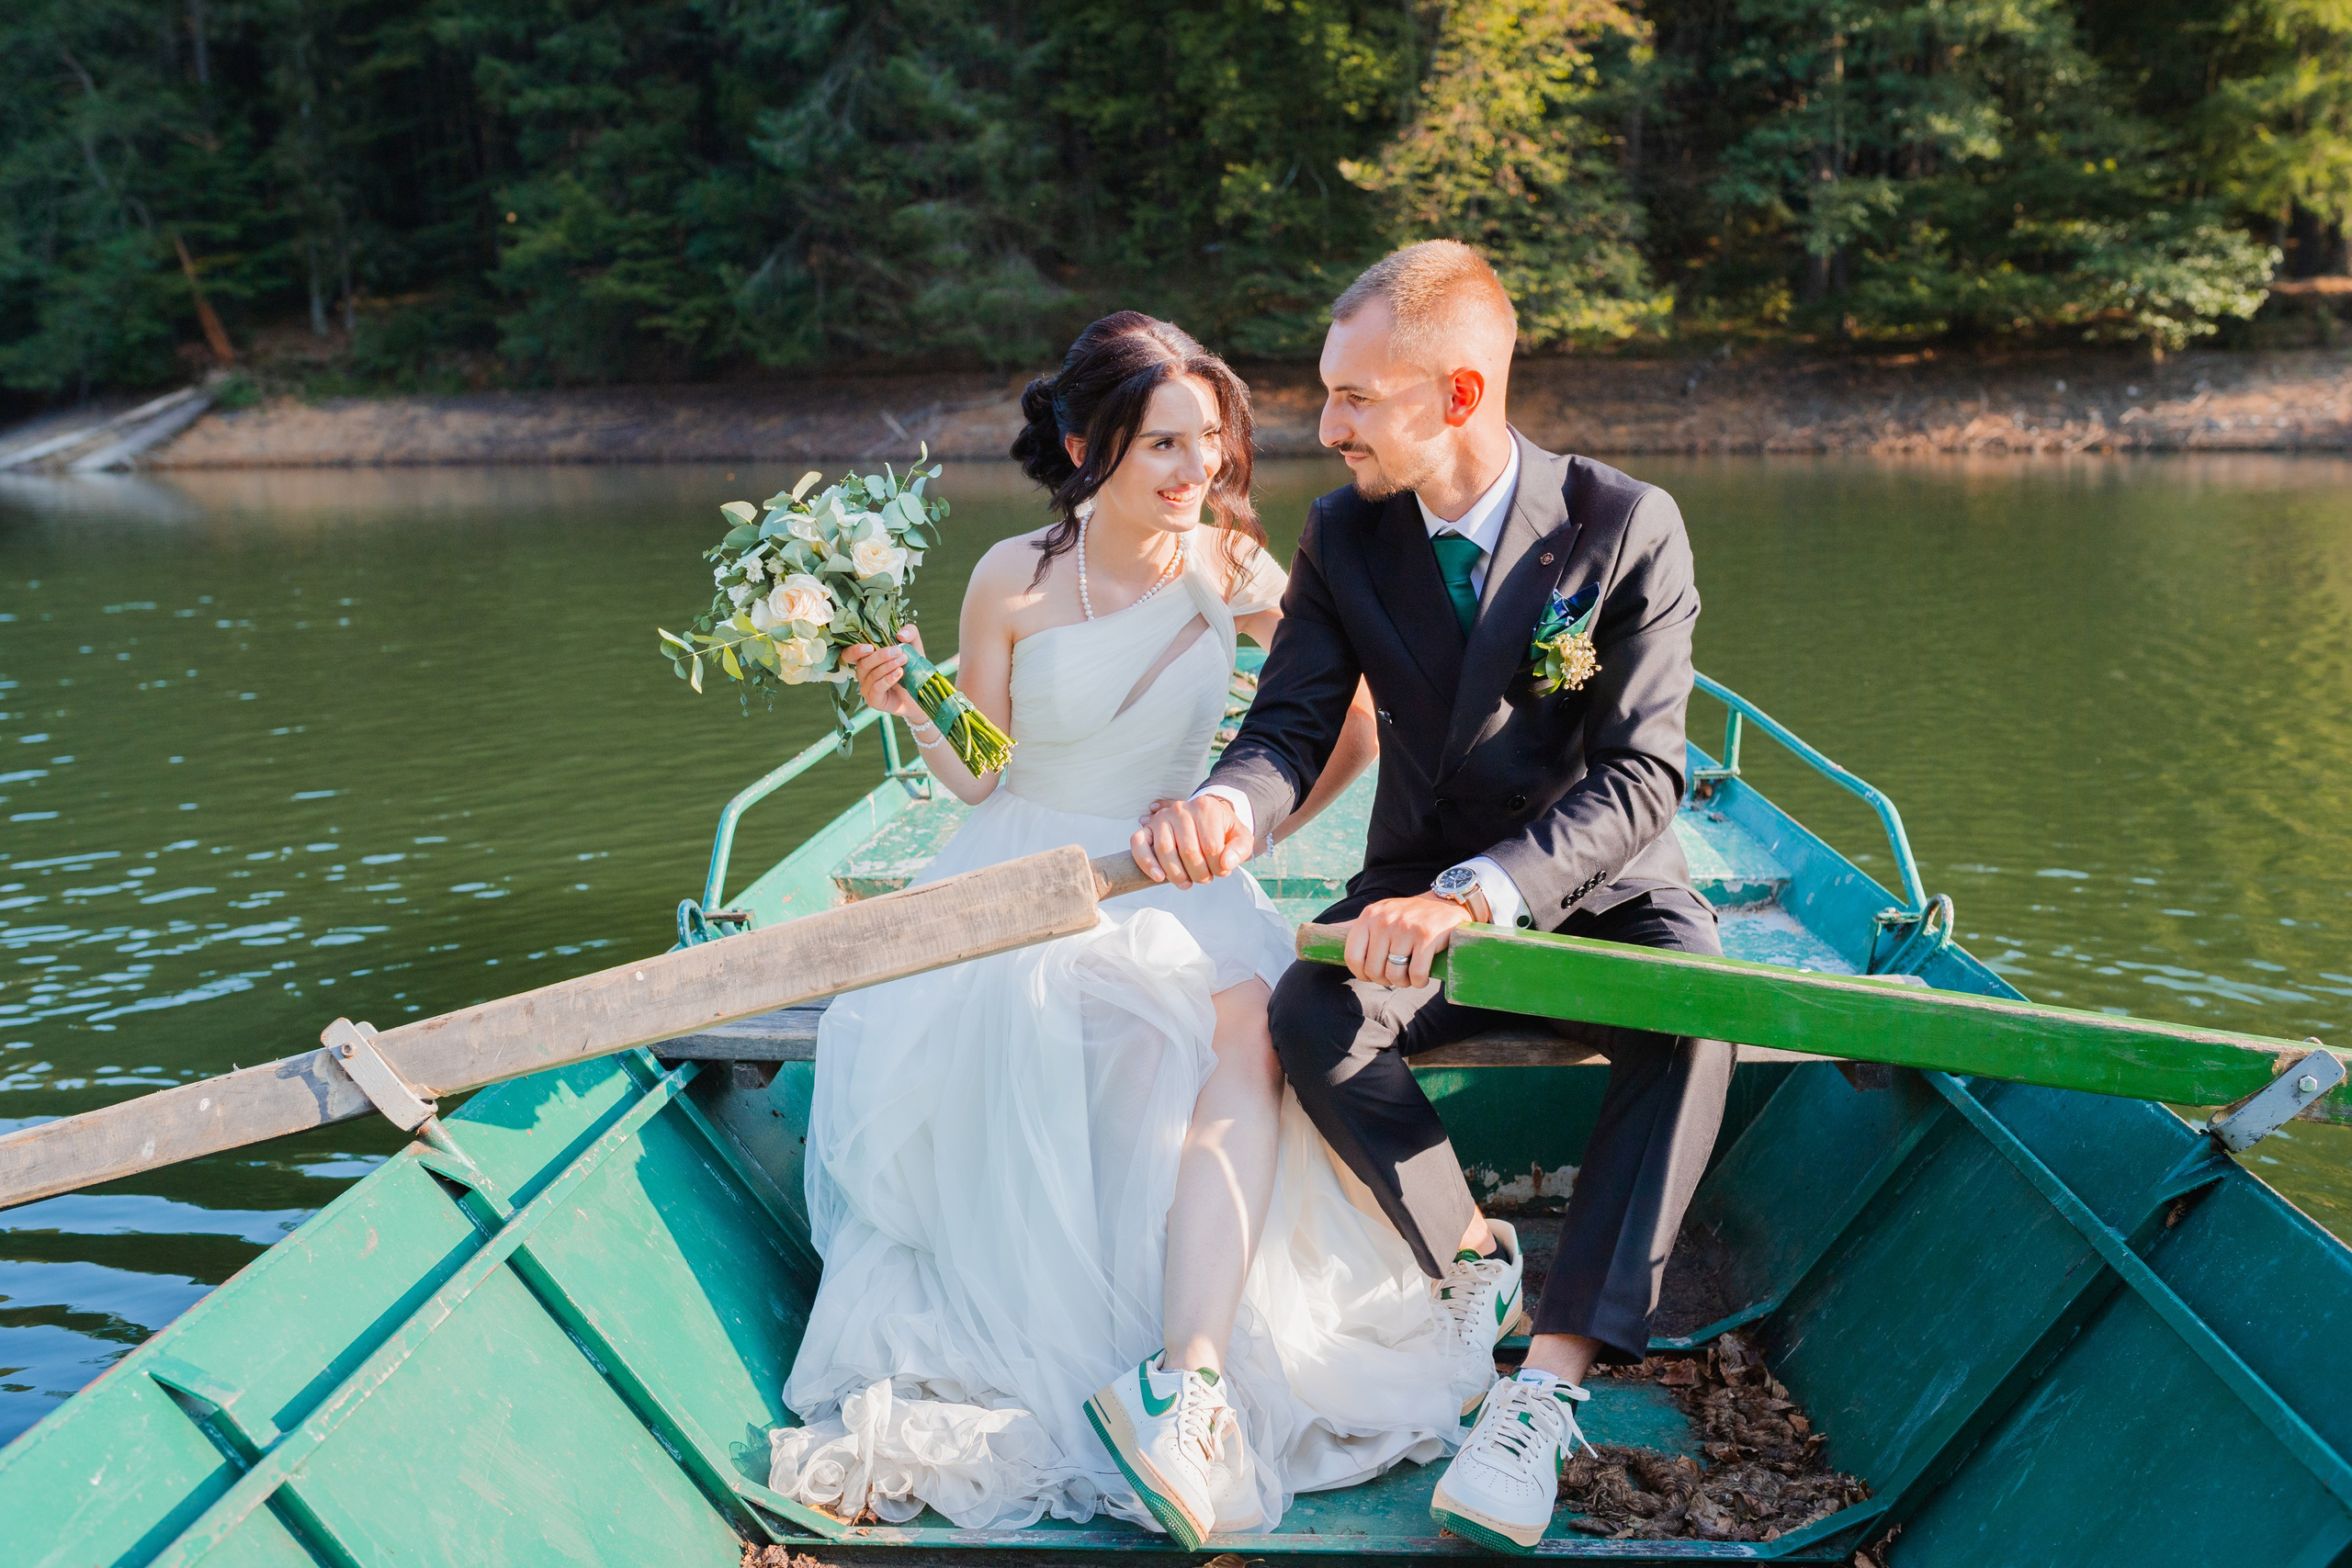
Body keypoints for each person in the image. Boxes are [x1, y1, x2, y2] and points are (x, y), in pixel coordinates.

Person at [770, 312, 1480, 1544]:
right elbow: (985, 771)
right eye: (1162, 443)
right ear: (1091, 441)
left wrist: (1239, 827)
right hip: (1031, 870)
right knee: (1135, 1025)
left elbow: (1348, 727)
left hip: (1186, 879)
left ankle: (1188, 1377)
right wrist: (913, 699)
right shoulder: (1014, 576)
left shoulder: (1237, 567)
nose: (1194, 468)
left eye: (1208, 441)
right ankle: (1142, 1359)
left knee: (1244, 1026)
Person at [1134, 242, 1727, 1554]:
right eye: (1327, 395)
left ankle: (1544, 1390)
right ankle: (1475, 1262)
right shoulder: (1343, 533)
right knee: (1309, 1013)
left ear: (1457, 396)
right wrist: (1234, 806)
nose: (1325, 425)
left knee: (1693, 1018)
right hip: (1410, 880)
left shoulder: (1629, 524)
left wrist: (1478, 897)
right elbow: (1288, 723)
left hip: (1602, 883)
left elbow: (1642, 776)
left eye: (1355, 398)